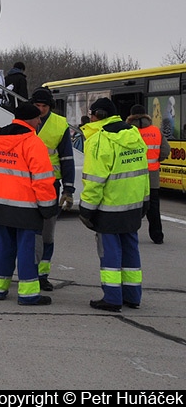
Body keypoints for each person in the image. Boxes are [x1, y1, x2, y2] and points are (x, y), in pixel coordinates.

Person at [0, 102, 58, 306]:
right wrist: (48, 206)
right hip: (26, 207)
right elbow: (42, 180)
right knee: (27, 251)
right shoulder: (33, 142)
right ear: (30, 120)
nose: (40, 120)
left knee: (2, 248)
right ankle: (28, 294)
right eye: (38, 118)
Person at [79, 97, 150, 312]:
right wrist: (145, 201)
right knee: (130, 250)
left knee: (109, 252)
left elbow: (94, 179)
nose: (90, 117)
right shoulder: (134, 134)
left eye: (91, 113)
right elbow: (143, 171)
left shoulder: (99, 139)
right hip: (133, 204)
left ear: (99, 115)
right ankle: (132, 295)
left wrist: (86, 209)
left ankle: (112, 297)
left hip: (109, 208)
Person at [29, 88, 75, 291]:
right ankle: (7, 272)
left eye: (44, 107)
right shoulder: (22, 120)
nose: (40, 110)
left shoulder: (59, 124)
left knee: (47, 234)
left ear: (50, 107)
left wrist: (69, 189)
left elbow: (66, 158)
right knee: (23, 233)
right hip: (25, 186)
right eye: (37, 106)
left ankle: (42, 275)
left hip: (49, 186)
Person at [127, 104, 170, 244]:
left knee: (132, 206)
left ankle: (129, 234)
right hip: (152, 176)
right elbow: (165, 150)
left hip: (132, 176)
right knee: (153, 207)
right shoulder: (156, 131)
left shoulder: (128, 131)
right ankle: (157, 236)